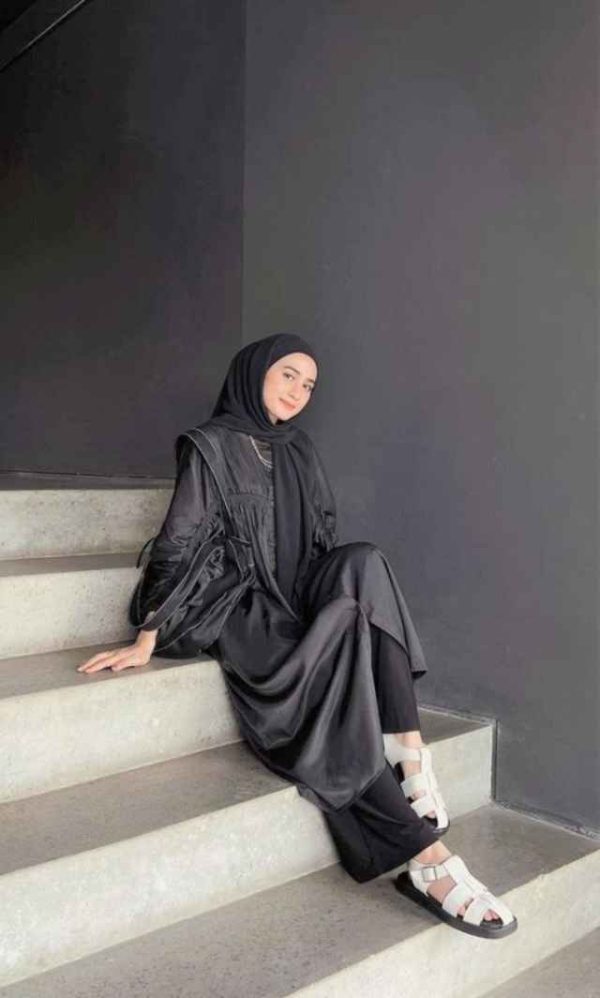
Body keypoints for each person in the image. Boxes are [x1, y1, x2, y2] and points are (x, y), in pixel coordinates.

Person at [78, 333, 517, 939]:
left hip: (294, 588)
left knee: (364, 562)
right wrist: (149, 631)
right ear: (255, 372)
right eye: (288, 375)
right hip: (240, 601)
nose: (298, 392)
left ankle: (407, 749)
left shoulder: (299, 447)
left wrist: (330, 595)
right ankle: (426, 859)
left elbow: (322, 537)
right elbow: (180, 540)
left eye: (308, 384)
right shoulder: (210, 446)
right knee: (326, 674)